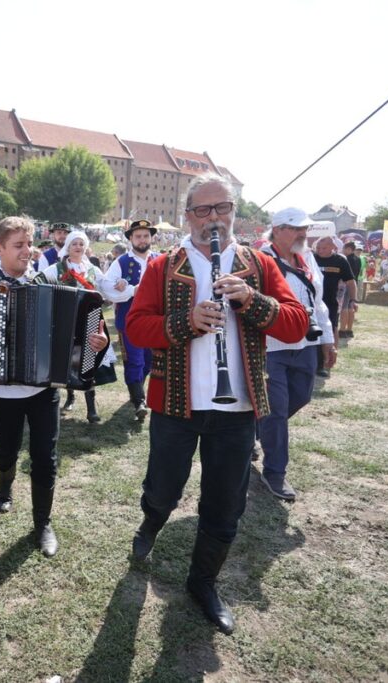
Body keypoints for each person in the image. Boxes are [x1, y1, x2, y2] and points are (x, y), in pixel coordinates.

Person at [125, 174, 308, 635]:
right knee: (163, 489)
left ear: (233, 212)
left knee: (225, 506)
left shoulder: (259, 264)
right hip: (175, 405)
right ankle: (152, 522)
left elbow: (295, 325)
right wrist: (184, 321)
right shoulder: (163, 265)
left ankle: (203, 582)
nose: (214, 218)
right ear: (188, 216)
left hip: (236, 411)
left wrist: (252, 300)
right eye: (203, 210)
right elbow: (136, 329)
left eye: (222, 208)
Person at [0, 216, 108, 557]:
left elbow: (76, 333)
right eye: (18, 245)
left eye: (29, 244)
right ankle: (4, 488)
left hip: (45, 387)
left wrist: (95, 343)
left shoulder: (45, 280)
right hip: (4, 388)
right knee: (8, 447)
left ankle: (42, 523)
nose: (27, 251)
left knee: (46, 455)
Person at [258, 209, 335, 499]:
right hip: (271, 346)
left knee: (301, 397)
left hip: (306, 344)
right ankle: (275, 472)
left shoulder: (307, 258)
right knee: (276, 410)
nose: (303, 234)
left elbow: (319, 302)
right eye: (295, 228)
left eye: (304, 228)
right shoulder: (260, 259)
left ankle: (254, 429)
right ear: (277, 229)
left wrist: (328, 340)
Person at [43, 229, 113, 423]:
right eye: (74, 243)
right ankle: (69, 397)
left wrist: (125, 286)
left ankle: (91, 409)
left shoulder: (93, 270)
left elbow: (108, 287)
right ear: (68, 246)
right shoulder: (57, 268)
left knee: (88, 361)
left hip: (89, 321)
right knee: (65, 360)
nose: (78, 247)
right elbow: (40, 281)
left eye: (81, 244)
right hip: (64, 321)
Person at [100, 219, 159, 421]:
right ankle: (139, 401)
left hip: (155, 322)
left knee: (149, 362)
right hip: (129, 322)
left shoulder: (160, 260)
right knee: (135, 361)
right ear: (131, 239)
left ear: (151, 238)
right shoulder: (121, 262)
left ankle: (136, 391)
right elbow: (108, 289)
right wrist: (133, 290)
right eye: (138, 236)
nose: (142, 240)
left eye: (146, 236)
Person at [312, 235, 355, 378]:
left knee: (329, 331)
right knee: (313, 332)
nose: (320, 250)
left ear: (333, 247)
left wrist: (353, 300)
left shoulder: (340, 260)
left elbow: (350, 282)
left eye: (324, 248)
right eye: (318, 248)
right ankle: (316, 363)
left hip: (330, 302)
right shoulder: (312, 258)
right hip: (312, 302)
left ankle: (326, 363)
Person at [339, 241, 363, 339]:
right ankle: (349, 330)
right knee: (351, 307)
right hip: (354, 284)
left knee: (344, 308)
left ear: (348, 249)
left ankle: (342, 330)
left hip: (346, 284)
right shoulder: (358, 259)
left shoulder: (346, 259)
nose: (342, 250)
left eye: (343, 249)